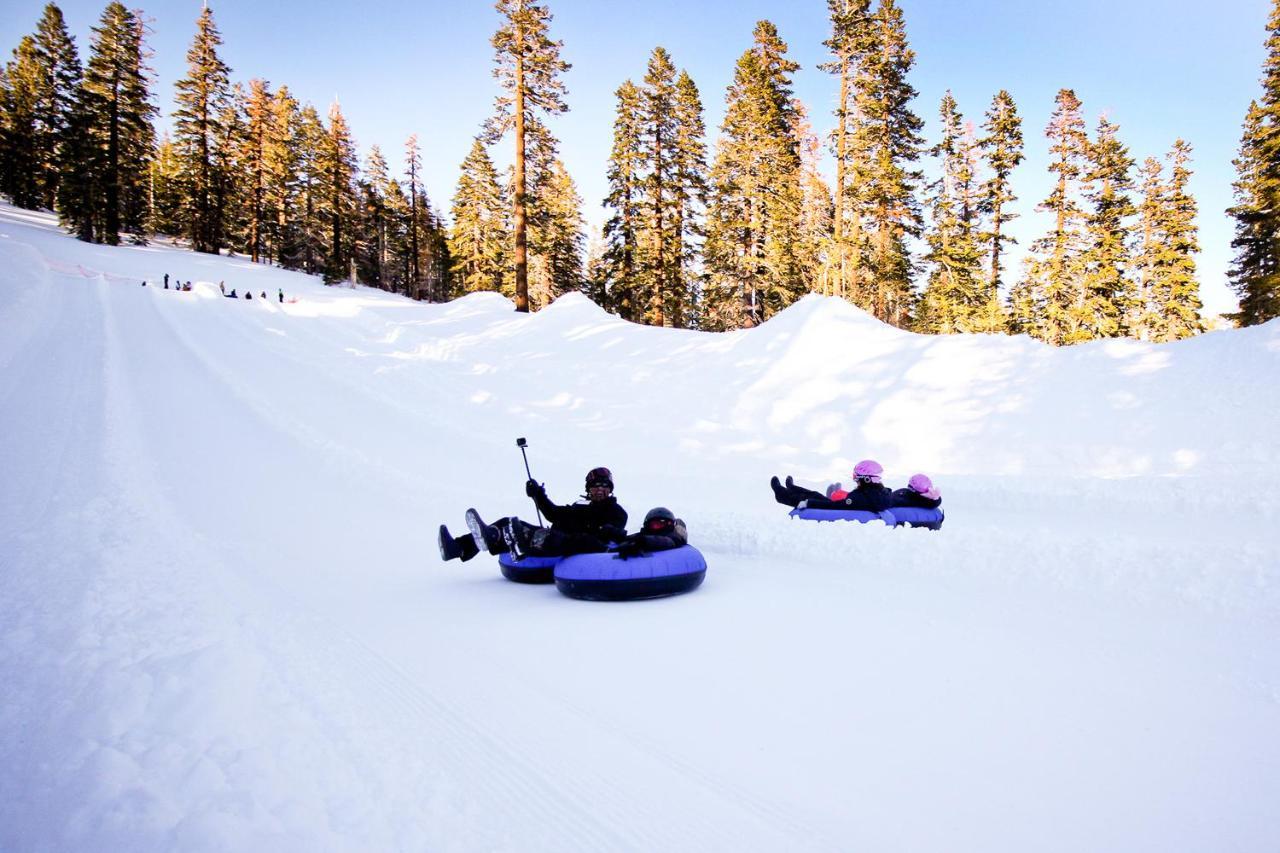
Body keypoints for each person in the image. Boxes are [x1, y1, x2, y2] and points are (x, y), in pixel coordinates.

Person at [439, 466, 628, 562]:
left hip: (577, 545)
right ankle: (459, 547)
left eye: (604, 486)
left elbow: (611, 533)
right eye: (595, 487)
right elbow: (554, 514)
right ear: (589, 490)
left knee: (555, 537)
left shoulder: (617, 512)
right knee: (508, 522)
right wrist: (538, 495)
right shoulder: (579, 507)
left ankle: (519, 542)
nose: (599, 490)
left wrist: (607, 529)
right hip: (555, 537)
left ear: (610, 490)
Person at [770, 459, 893, 512]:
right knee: (816, 494)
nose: (855, 480)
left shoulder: (860, 497)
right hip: (846, 505)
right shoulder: (880, 493)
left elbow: (834, 506)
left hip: (838, 509)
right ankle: (792, 487)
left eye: (857, 477)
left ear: (866, 479)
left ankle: (780, 494)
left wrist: (809, 503)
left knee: (812, 498)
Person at [611, 507, 688, 559]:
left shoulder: (673, 537)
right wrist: (619, 537)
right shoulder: (646, 533)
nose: (658, 527)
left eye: (662, 523)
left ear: (669, 524)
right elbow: (636, 537)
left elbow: (664, 541)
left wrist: (641, 542)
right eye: (654, 524)